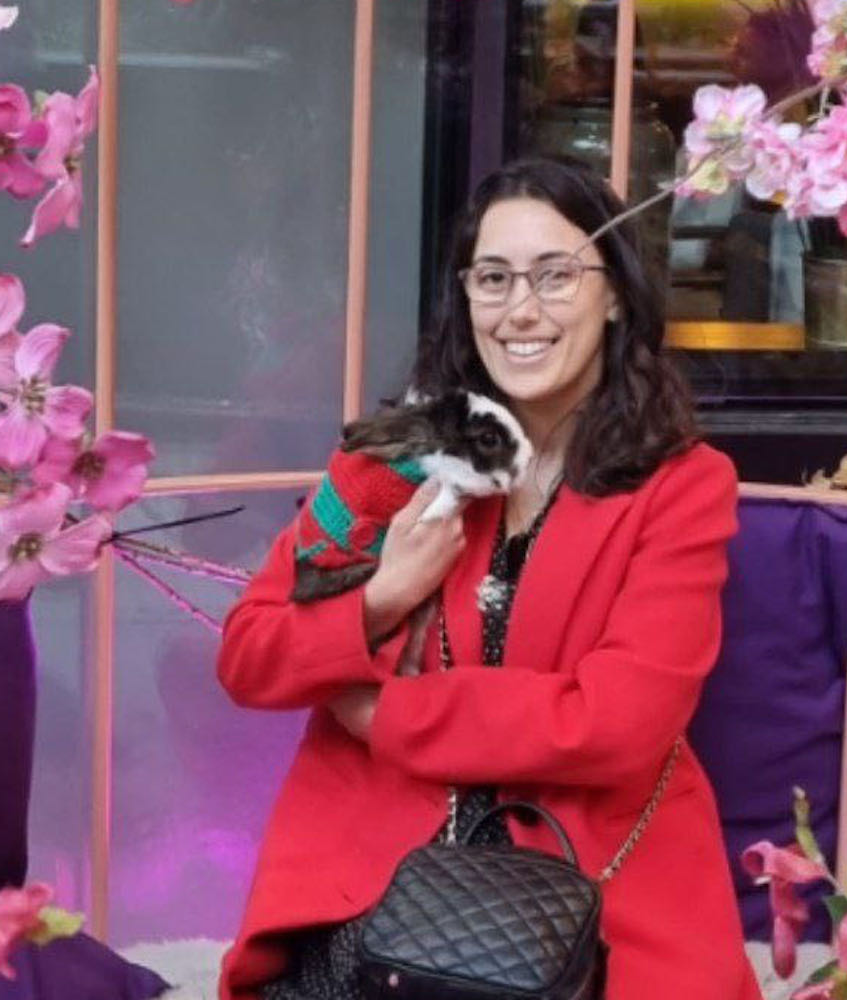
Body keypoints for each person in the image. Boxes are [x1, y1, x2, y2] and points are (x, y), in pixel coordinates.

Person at [217, 157, 763, 1000]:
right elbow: (251, 658)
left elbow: (617, 727)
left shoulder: (682, 486)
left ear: (615, 293)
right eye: (495, 279)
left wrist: (385, 714)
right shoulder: (399, 455)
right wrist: (384, 596)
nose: (521, 311)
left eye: (556, 276)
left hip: (592, 878)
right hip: (381, 871)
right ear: (465, 298)